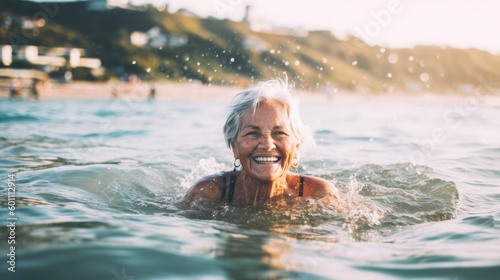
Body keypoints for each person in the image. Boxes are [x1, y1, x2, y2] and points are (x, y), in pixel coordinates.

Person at [182, 79, 338, 206]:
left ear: (297, 146)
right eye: (253, 133)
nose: (267, 145)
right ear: (235, 147)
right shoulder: (209, 193)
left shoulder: (319, 194)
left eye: (279, 133)